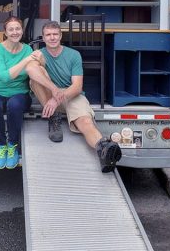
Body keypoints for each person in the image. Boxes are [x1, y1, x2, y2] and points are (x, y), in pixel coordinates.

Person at [29, 20, 122, 173]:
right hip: (49, 95)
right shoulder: (39, 55)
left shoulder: (73, 55)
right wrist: (53, 93)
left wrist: (57, 98)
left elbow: (77, 87)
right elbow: (31, 72)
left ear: (60, 36)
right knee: (35, 77)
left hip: (70, 94)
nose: (52, 38)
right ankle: (54, 117)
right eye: (48, 35)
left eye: (55, 34)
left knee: (85, 121)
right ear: (43, 38)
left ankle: (103, 149)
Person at [0, 16, 38, 169]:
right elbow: (5, 77)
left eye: (18, 29)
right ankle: (1, 146)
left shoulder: (27, 49)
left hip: (19, 92)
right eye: (11, 29)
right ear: (5, 32)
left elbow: (35, 70)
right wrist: (26, 61)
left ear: (22, 30)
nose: (15, 32)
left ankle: (12, 145)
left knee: (15, 105)